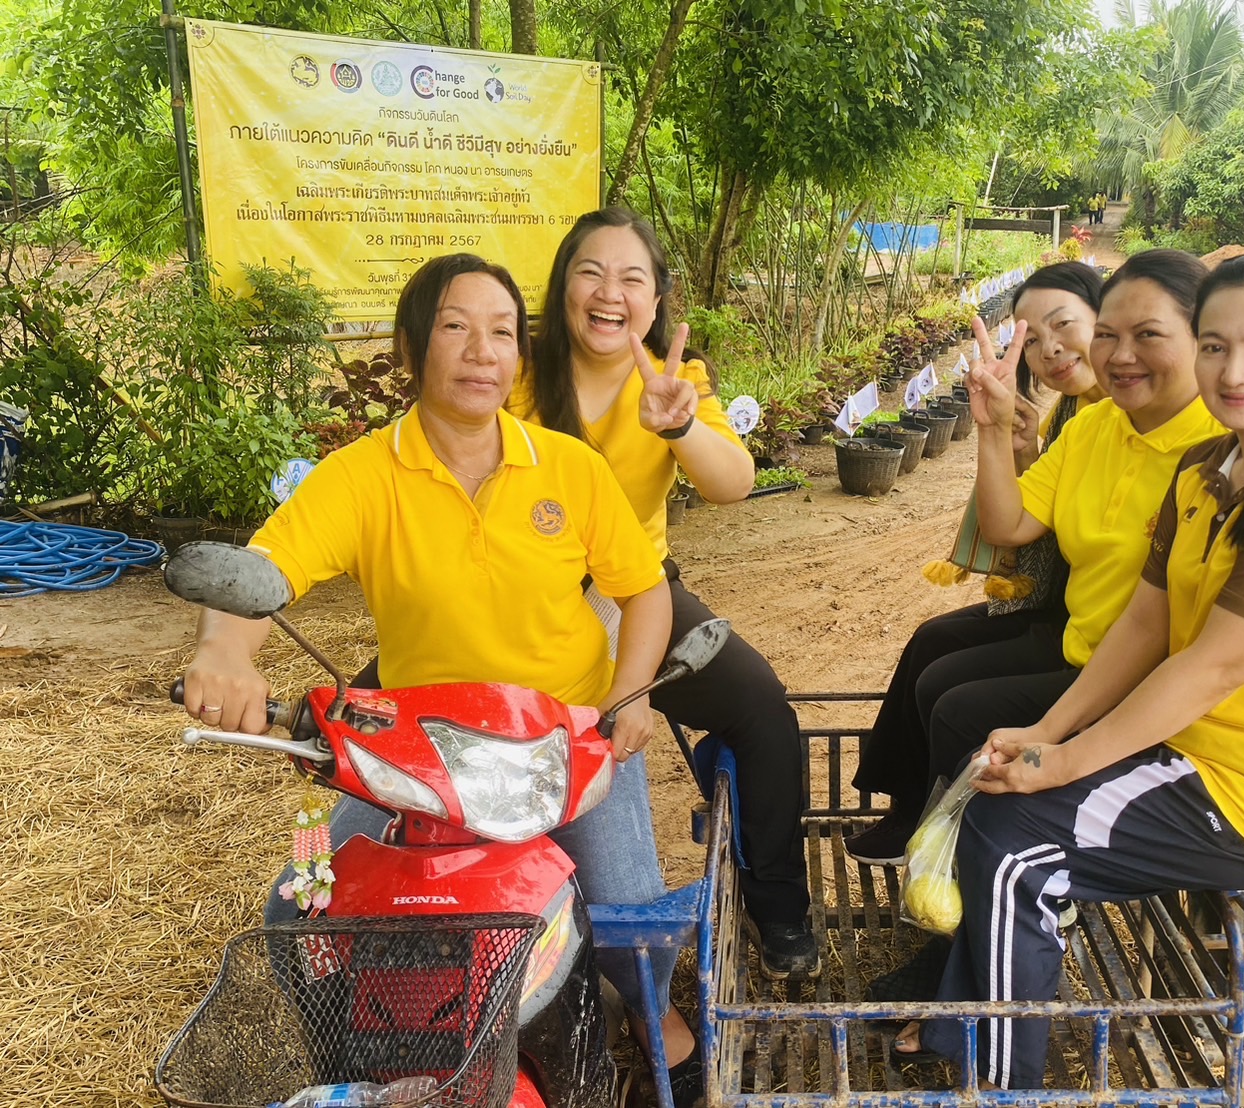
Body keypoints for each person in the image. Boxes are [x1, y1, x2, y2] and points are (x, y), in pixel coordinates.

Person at [178, 254, 700, 1100]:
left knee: (629, 928)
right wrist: (225, 653)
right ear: (415, 345)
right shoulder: (359, 475)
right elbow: (263, 570)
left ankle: (645, 1024)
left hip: (564, 742)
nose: (481, 351)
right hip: (416, 759)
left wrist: (624, 698)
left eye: (502, 331)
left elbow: (644, 593)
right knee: (296, 915)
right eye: (457, 326)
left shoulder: (570, 468)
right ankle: (369, 1057)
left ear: (521, 356)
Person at [905, 251, 1244, 1090]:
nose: (1232, 371)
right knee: (992, 784)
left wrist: (1060, 765)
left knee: (1017, 843)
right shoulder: (1209, 468)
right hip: (1199, 752)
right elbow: (1145, 621)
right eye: (1214, 346)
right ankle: (966, 1032)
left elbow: (1210, 667)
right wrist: (1044, 733)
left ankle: (1000, 1079)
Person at [513, 208, 818, 984]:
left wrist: (680, 428)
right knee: (385, 712)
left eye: (631, 278)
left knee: (761, 709)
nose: (608, 292)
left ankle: (776, 905)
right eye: (589, 271)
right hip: (517, 604)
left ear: (654, 303)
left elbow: (734, 483)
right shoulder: (516, 373)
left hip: (637, 593)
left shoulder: (675, 379)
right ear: (561, 285)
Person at [847, 251, 1223, 866]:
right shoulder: (1091, 425)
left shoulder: (1224, 448)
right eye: (1108, 337)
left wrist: (1057, 744)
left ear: (1205, 338)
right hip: (1085, 638)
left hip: (1146, 677)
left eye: (1146, 334)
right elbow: (1009, 527)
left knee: (956, 702)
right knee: (936, 658)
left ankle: (959, 860)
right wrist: (995, 431)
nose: (1118, 354)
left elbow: (1182, 637)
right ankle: (928, 836)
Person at [846, 262, 1107, 864]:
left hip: (1086, 624)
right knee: (931, 641)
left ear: (1109, 320)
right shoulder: (1081, 417)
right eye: (1031, 338)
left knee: (949, 688)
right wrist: (1017, 446)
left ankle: (949, 846)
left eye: (1064, 324)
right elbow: (1023, 523)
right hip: (1064, 605)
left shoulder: (1126, 418)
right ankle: (908, 810)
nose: (1051, 349)